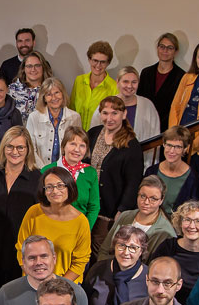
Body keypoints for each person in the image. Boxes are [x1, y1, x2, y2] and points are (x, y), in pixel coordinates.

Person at [0, 126, 39, 288]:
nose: (15, 152)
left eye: (20, 147)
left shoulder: (37, 177)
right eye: (10, 147)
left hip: (19, 250)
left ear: (28, 150)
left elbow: (37, 219)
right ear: (3, 148)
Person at [88, 96, 143, 260]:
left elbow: (133, 183)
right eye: (105, 113)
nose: (109, 118)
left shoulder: (131, 145)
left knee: (100, 253)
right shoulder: (93, 133)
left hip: (108, 213)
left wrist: (121, 211)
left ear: (124, 114)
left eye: (114, 113)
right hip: (87, 206)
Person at [16, 167, 91, 283]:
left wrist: (56, 286)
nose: (55, 191)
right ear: (44, 191)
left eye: (60, 186)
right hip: (33, 279)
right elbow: (21, 249)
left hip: (64, 284)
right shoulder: (33, 212)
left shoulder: (81, 222)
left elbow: (80, 262)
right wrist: (35, 279)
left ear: (69, 187)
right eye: (49, 187)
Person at [151, 201, 199, 303]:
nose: (191, 226)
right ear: (180, 223)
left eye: (198, 221)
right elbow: (152, 278)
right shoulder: (167, 248)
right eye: (187, 220)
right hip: (167, 304)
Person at [85, 225, 150, 305]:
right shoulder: (98, 269)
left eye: (133, 248)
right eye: (121, 245)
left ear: (141, 251)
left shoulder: (149, 278)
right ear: (114, 246)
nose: (126, 252)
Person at [99, 175, 177, 260]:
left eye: (153, 198)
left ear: (161, 200)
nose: (146, 202)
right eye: (143, 196)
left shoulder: (166, 233)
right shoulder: (125, 216)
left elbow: (158, 265)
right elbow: (104, 250)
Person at [41, 126, 99, 228]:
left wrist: (85, 229)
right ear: (64, 146)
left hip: (79, 228)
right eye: (73, 144)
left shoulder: (90, 173)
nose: (77, 149)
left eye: (82, 146)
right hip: (51, 226)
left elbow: (94, 207)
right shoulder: (47, 170)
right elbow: (40, 202)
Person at [144, 125, 199, 215]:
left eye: (177, 147)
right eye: (169, 145)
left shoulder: (192, 177)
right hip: (149, 217)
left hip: (176, 222)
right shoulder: (151, 171)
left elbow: (192, 210)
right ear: (163, 144)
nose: (171, 151)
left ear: (185, 149)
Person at [25, 77, 81, 166]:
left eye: (57, 93)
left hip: (67, 170)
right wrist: (44, 170)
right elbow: (30, 149)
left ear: (63, 94)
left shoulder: (75, 117)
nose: (54, 98)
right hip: (39, 170)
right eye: (49, 94)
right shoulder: (33, 118)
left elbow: (77, 148)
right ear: (44, 98)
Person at [139, 33, 186, 131]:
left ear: (176, 52)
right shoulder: (146, 72)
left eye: (170, 48)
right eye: (162, 46)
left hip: (167, 128)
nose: (165, 50)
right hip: (144, 125)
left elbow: (179, 107)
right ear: (157, 48)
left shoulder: (182, 76)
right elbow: (140, 100)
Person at [70, 41, 118, 130]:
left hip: (99, 135)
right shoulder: (79, 80)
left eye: (102, 62)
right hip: (77, 134)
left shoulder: (114, 87)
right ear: (89, 60)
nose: (98, 65)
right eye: (95, 60)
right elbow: (72, 109)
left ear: (108, 63)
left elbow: (114, 118)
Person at [111, 66, 161, 142]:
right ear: (117, 82)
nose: (129, 86)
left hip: (141, 149)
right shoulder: (107, 103)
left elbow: (155, 135)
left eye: (134, 82)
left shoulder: (147, 105)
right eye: (125, 82)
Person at [7, 50, 53, 121]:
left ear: (43, 67)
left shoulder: (51, 90)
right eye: (29, 66)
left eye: (37, 65)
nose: (33, 69)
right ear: (23, 69)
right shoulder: (11, 90)